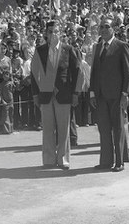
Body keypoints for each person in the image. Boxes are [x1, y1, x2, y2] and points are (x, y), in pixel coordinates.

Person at [31, 20, 80, 170]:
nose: (53, 34)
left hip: (64, 94)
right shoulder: (40, 51)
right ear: (46, 34)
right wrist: (35, 95)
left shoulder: (68, 49)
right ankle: (49, 159)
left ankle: (63, 159)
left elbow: (77, 72)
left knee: (64, 128)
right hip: (45, 95)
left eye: (56, 31)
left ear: (61, 33)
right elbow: (34, 73)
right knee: (47, 128)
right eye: (50, 31)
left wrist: (75, 93)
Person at [89, 16, 129, 172]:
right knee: (104, 129)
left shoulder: (122, 46)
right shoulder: (98, 47)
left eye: (106, 26)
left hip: (116, 95)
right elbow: (94, 72)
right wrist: (92, 93)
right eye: (101, 27)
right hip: (101, 96)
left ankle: (119, 161)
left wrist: (125, 94)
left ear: (113, 28)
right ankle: (106, 161)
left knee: (118, 128)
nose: (103, 29)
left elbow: (128, 72)